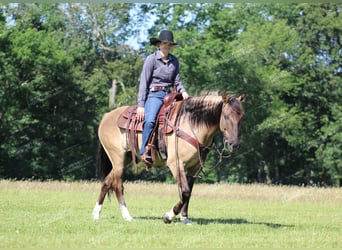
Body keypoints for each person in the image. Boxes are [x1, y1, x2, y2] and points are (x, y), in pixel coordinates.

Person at [136, 30, 190, 166]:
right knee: (149, 121)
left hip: (170, 96)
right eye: (164, 43)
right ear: (159, 44)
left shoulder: (174, 61)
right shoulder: (151, 60)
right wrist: (141, 105)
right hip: (154, 95)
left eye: (169, 44)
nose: (167, 46)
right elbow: (144, 82)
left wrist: (183, 91)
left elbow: (177, 81)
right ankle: (144, 151)